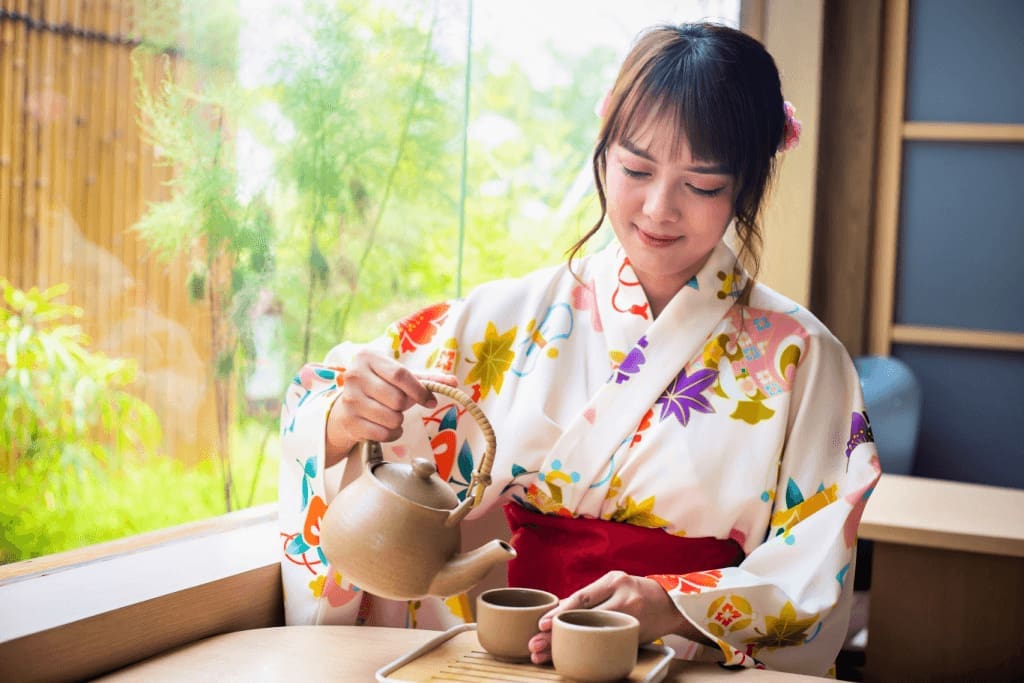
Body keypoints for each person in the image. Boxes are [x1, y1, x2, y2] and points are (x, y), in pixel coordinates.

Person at [278, 22, 880, 676]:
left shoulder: (802, 358)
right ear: (603, 151)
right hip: (505, 656)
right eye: (636, 169)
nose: (657, 208)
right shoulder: (511, 319)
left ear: (745, 185)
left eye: (701, 185)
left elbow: (814, 563)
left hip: (687, 664)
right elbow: (328, 396)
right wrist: (344, 418)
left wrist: (673, 602)